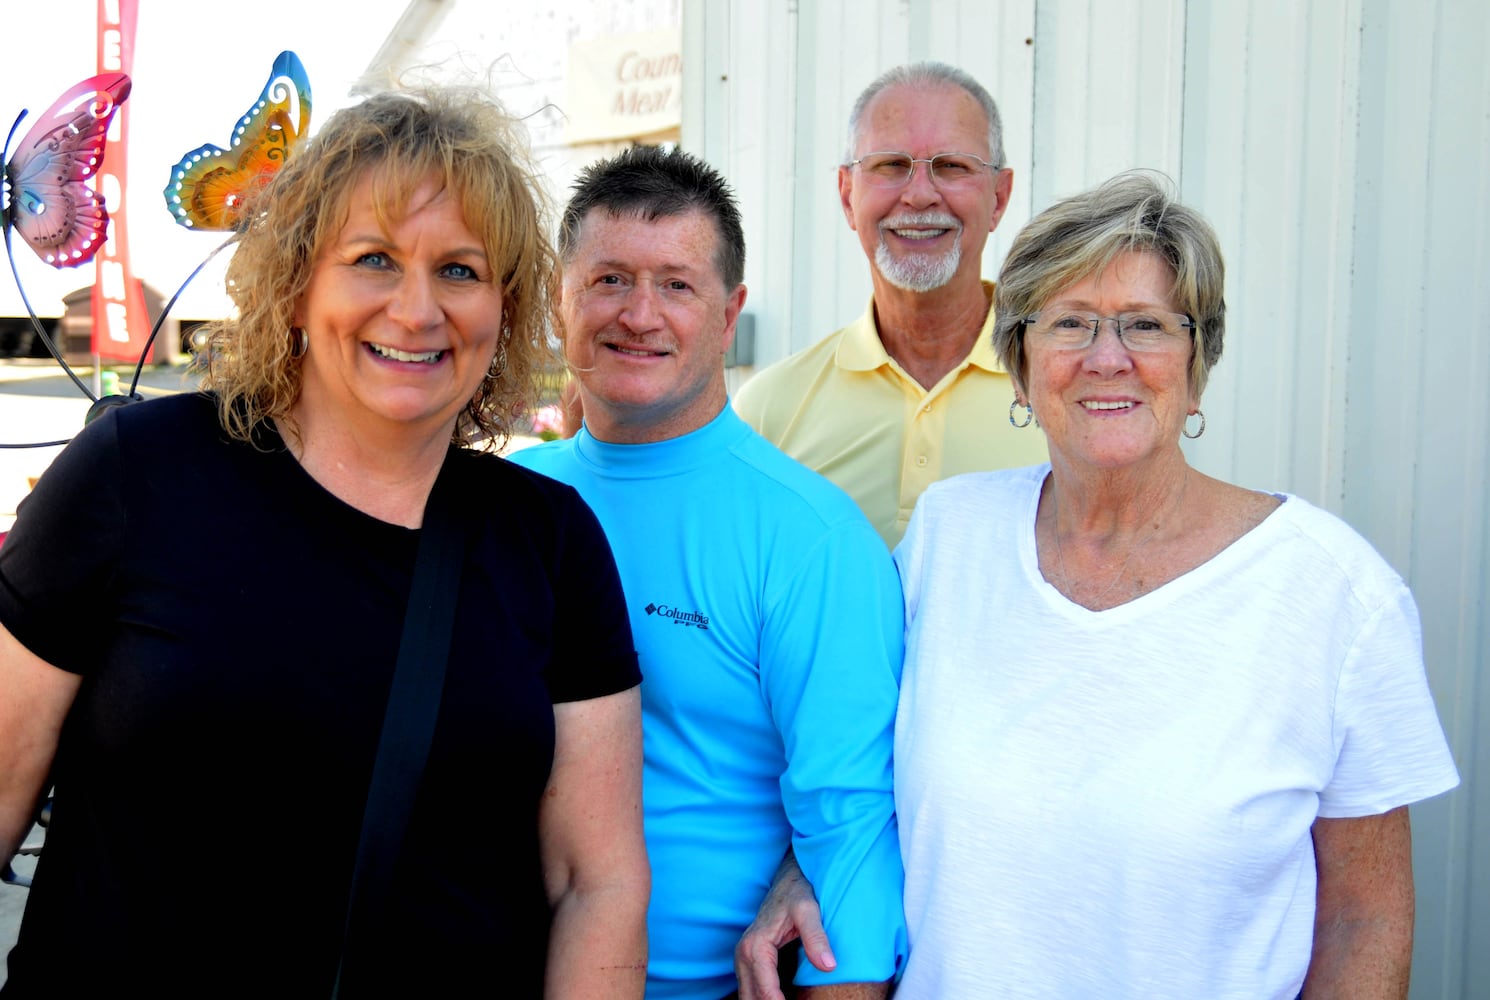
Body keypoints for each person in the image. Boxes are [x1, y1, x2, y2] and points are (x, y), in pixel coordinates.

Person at [0, 87, 648, 997]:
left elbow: (598, 881)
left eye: (461, 270)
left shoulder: (549, 542)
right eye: (375, 259)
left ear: (503, 309)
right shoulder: (137, 473)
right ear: (299, 285)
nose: (419, 310)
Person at [888, 172, 1460, 996]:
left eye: (1147, 326)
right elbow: (856, 777)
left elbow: (1363, 919)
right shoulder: (949, 538)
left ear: (1197, 366)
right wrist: (800, 873)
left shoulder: (1334, 594)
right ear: (1021, 367)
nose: (1107, 357)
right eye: (1070, 324)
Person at [508, 146, 906, 999]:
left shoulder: (809, 538)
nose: (639, 315)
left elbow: (851, 826)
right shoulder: (504, 501)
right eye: (609, 279)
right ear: (559, 298)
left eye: (677, 285)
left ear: (730, 315)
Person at [734, 62, 1047, 548]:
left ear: (999, 197)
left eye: (952, 166)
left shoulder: (1065, 389)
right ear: (846, 194)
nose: (920, 195)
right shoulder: (769, 409)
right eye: (890, 165)